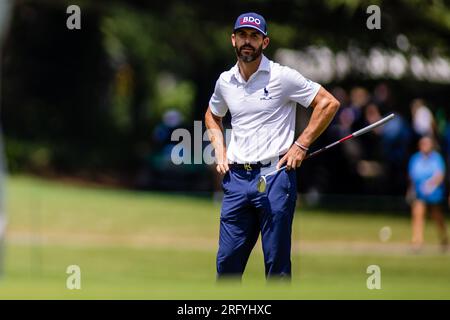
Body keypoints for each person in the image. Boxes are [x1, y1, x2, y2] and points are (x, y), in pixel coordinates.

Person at [204, 12, 340, 279]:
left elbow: (328, 103)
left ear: (264, 42)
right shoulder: (225, 81)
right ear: (233, 40)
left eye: (254, 36)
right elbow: (212, 114)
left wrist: (301, 144)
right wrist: (219, 148)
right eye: (242, 35)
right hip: (236, 179)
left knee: (276, 266)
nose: (248, 41)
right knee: (226, 266)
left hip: (276, 176)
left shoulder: (283, 76)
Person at [407, 136, 448, 252]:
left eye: (427, 144)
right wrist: (411, 190)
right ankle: (417, 242)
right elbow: (412, 176)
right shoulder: (415, 158)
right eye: (423, 144)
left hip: (434, 192)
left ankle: (444, 238)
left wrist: (430, 185)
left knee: (437, 216)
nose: (425, 146)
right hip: (419, 192)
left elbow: (440, 174)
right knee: (417, 215)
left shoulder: (436, 158)